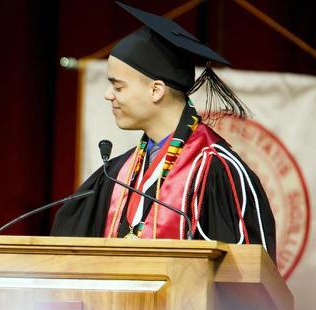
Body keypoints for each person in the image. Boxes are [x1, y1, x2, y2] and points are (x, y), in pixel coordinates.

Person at [52, 2, 276, 260]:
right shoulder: (114, 175)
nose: (107, 95)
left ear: (156, 90)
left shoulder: (216, 172)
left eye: (119, 87)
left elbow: (246, 281)